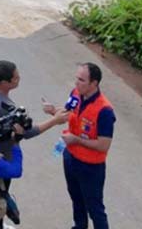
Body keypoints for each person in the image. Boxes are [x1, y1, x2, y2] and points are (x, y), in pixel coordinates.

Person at [54, 62, 115, 229]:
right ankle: (79, 226)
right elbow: (68, 113)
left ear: (94, 83)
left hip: (90, 167)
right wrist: (54, 111)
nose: (76, 83)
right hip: (70, 157)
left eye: (81, 80)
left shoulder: (105, 111)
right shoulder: (75, 93)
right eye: (77, 78)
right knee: (76, 198)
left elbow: (103, 145)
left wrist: (76, 140)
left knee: (95, 208)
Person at [0, 60, 69, 140]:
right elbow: (28, 132)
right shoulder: (4, 107)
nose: (19, 79)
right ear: (4, 83)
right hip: (4, 147)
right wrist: (55, 120)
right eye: (16, 78)